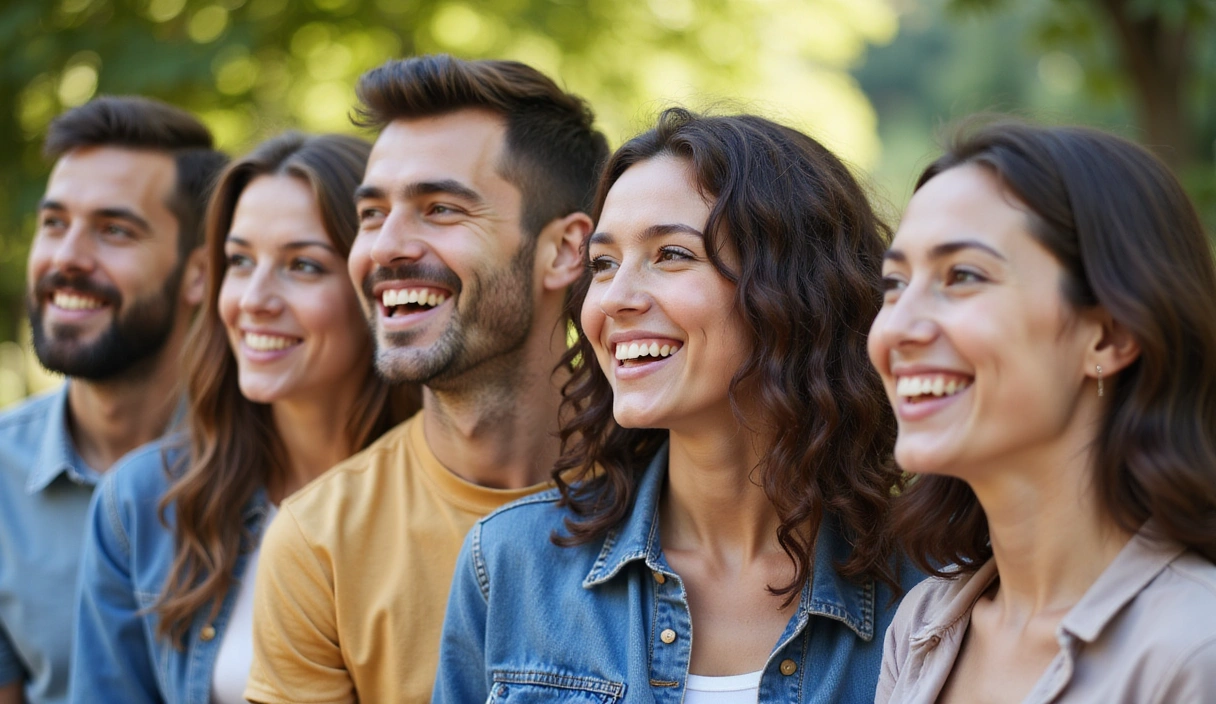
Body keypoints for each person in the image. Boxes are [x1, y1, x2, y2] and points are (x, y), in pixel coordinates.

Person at [433, 108, 922, 703]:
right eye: (604, 264)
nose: (613, 299)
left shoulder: (931, 590)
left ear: (797, 290)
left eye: (671, 254)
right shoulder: (511, 565)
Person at [243, 55, 609, 704]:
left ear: (563, 251)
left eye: (439, 209)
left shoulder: (684, 497)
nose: (385, 248)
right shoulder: (319, 543)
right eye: (372, 214)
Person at [870, 121, 1216, 703]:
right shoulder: (923, 625)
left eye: (962, 276)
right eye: (895, 283)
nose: (897, 328)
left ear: (1107, 336)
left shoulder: (1195, 650)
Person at [68, 132, 418, 704]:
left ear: (375, 285)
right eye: (239, 261)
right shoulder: (142, 505)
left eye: (302, 265)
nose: (254, 298)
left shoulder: (449, 500)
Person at [0, 96, 226, 704]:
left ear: (200, 273)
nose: (66, 257)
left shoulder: (274, 465)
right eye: (54, 223)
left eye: (114, 230)